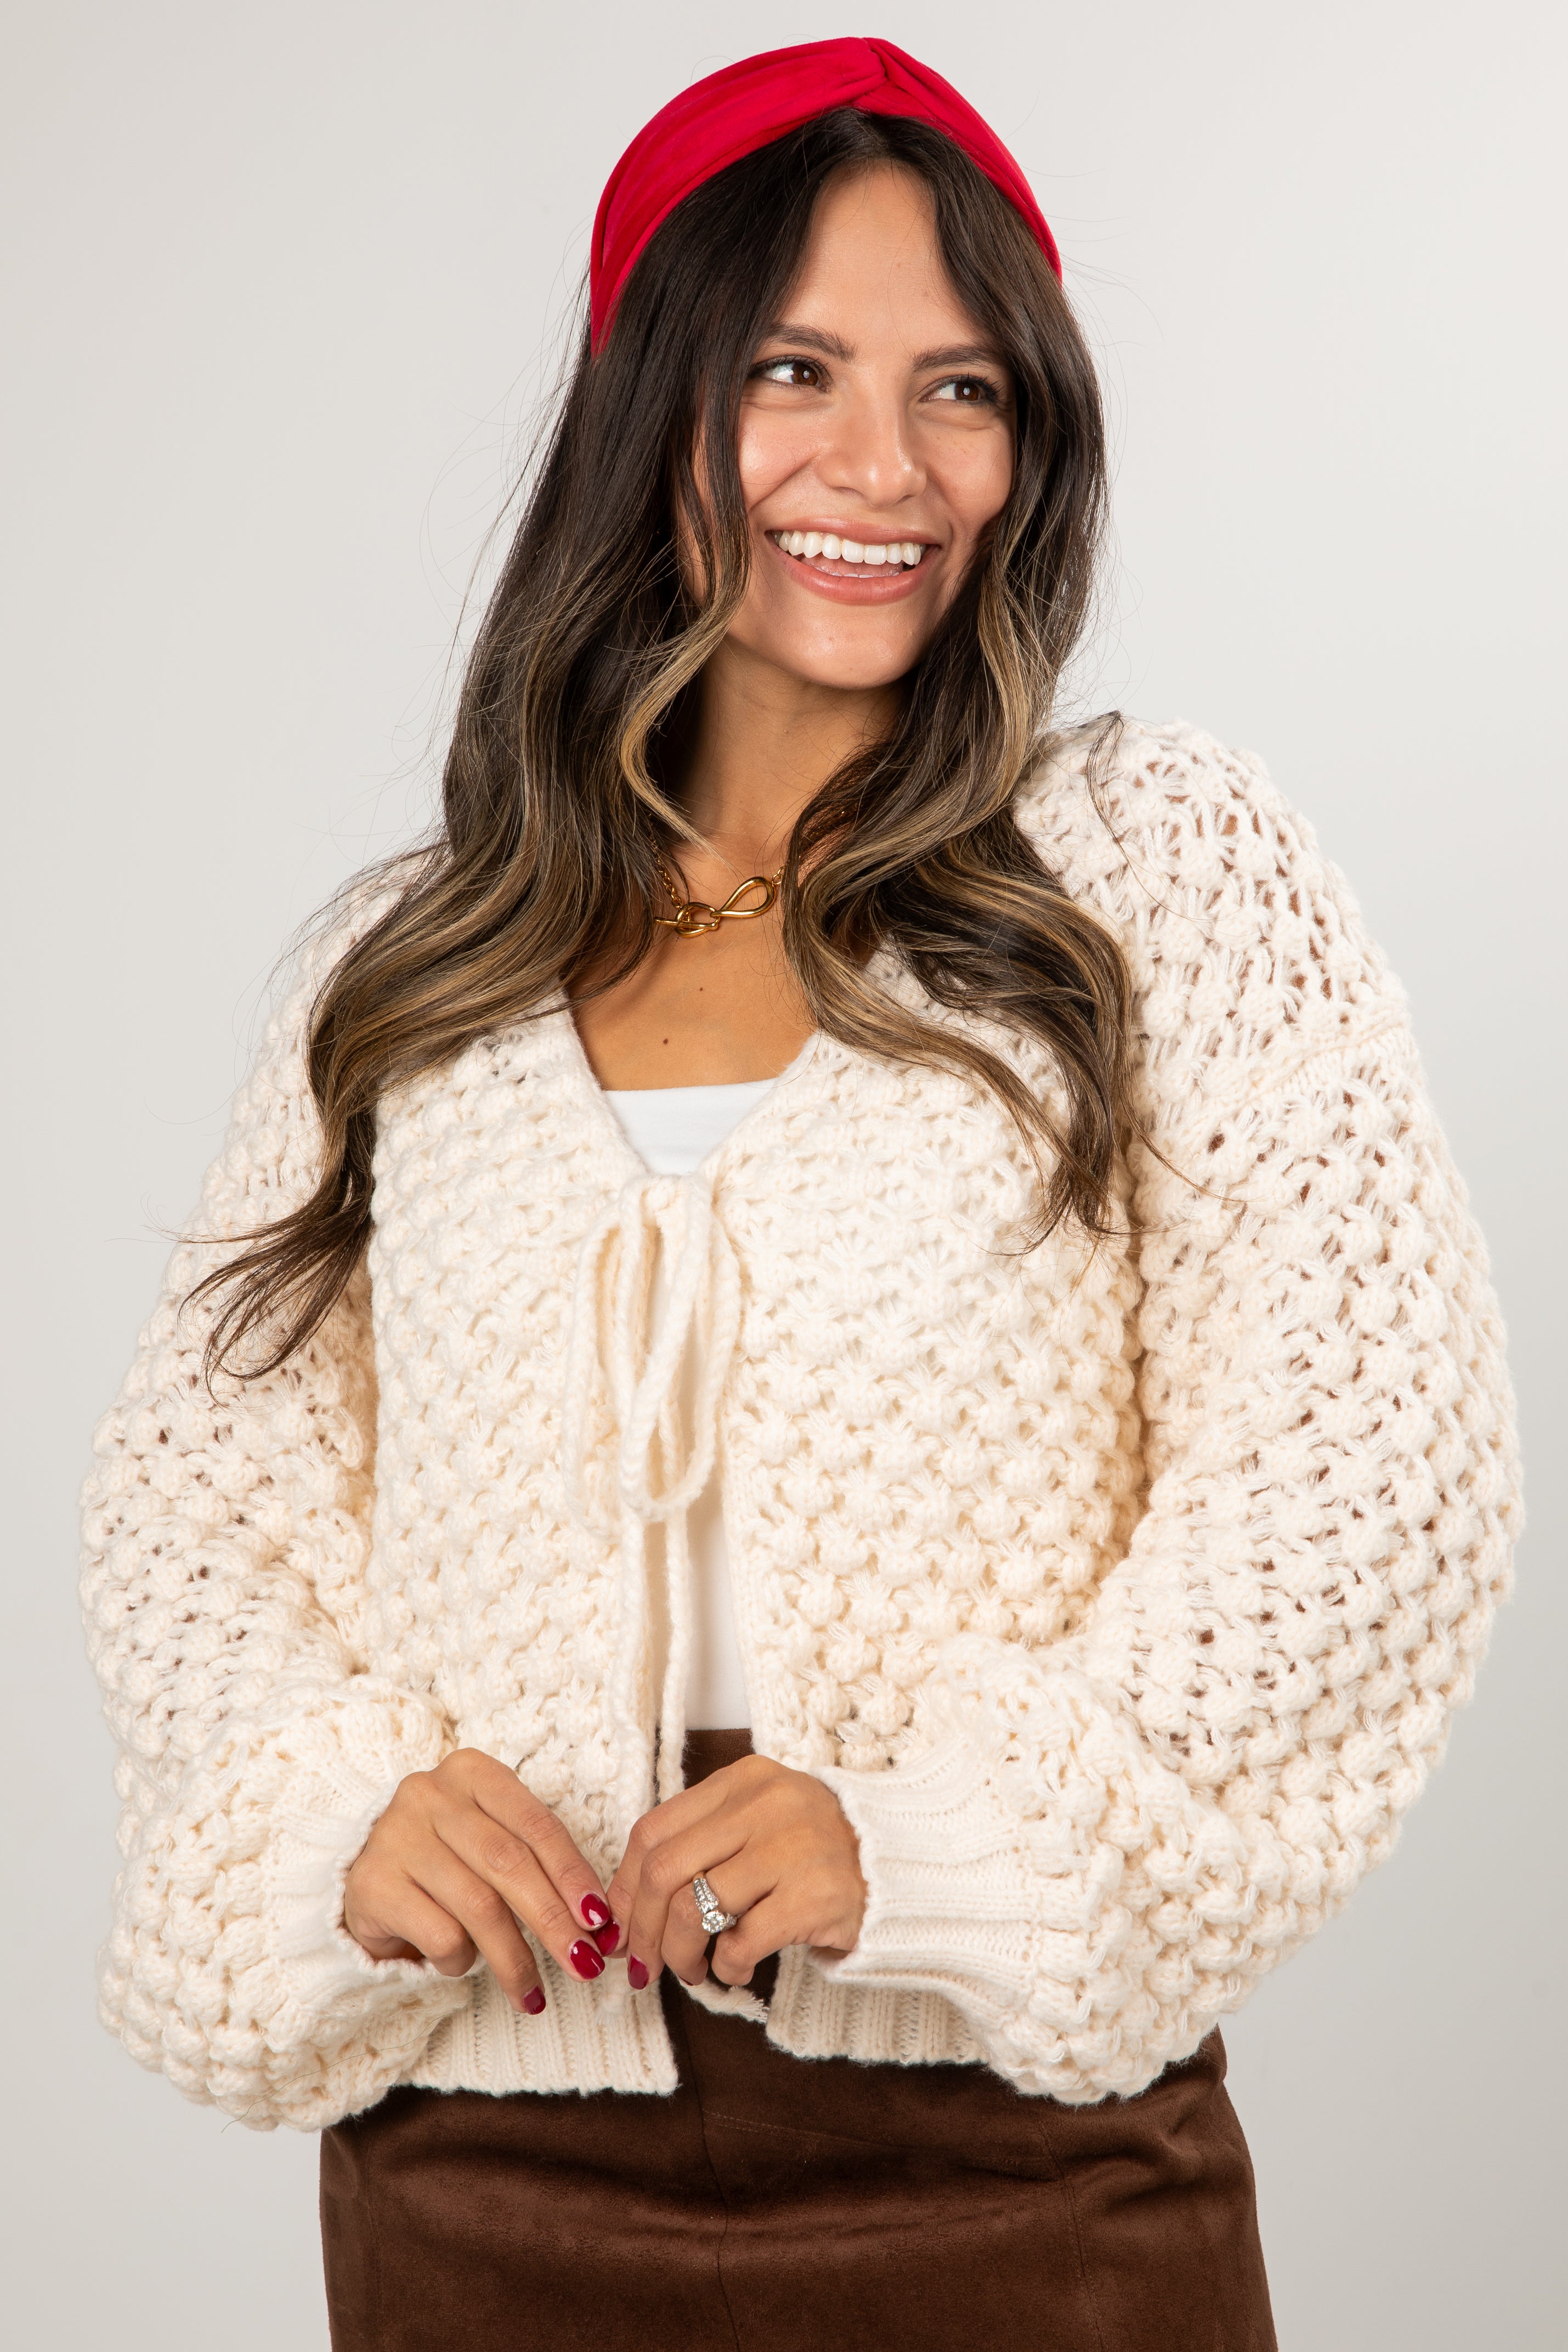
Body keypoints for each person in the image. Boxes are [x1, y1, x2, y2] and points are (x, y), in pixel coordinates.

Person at [80, 37, 1520, 2352]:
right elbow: (199, 1508)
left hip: (1021, 2174)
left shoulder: (1157, 873)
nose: (884, 467)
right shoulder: (415, 971)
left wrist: (933, 1839)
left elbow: (1369, 1481)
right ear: (657, 408)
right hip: (486, 2168)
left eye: (964, 387)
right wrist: (330, 1806)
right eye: (794, 371)